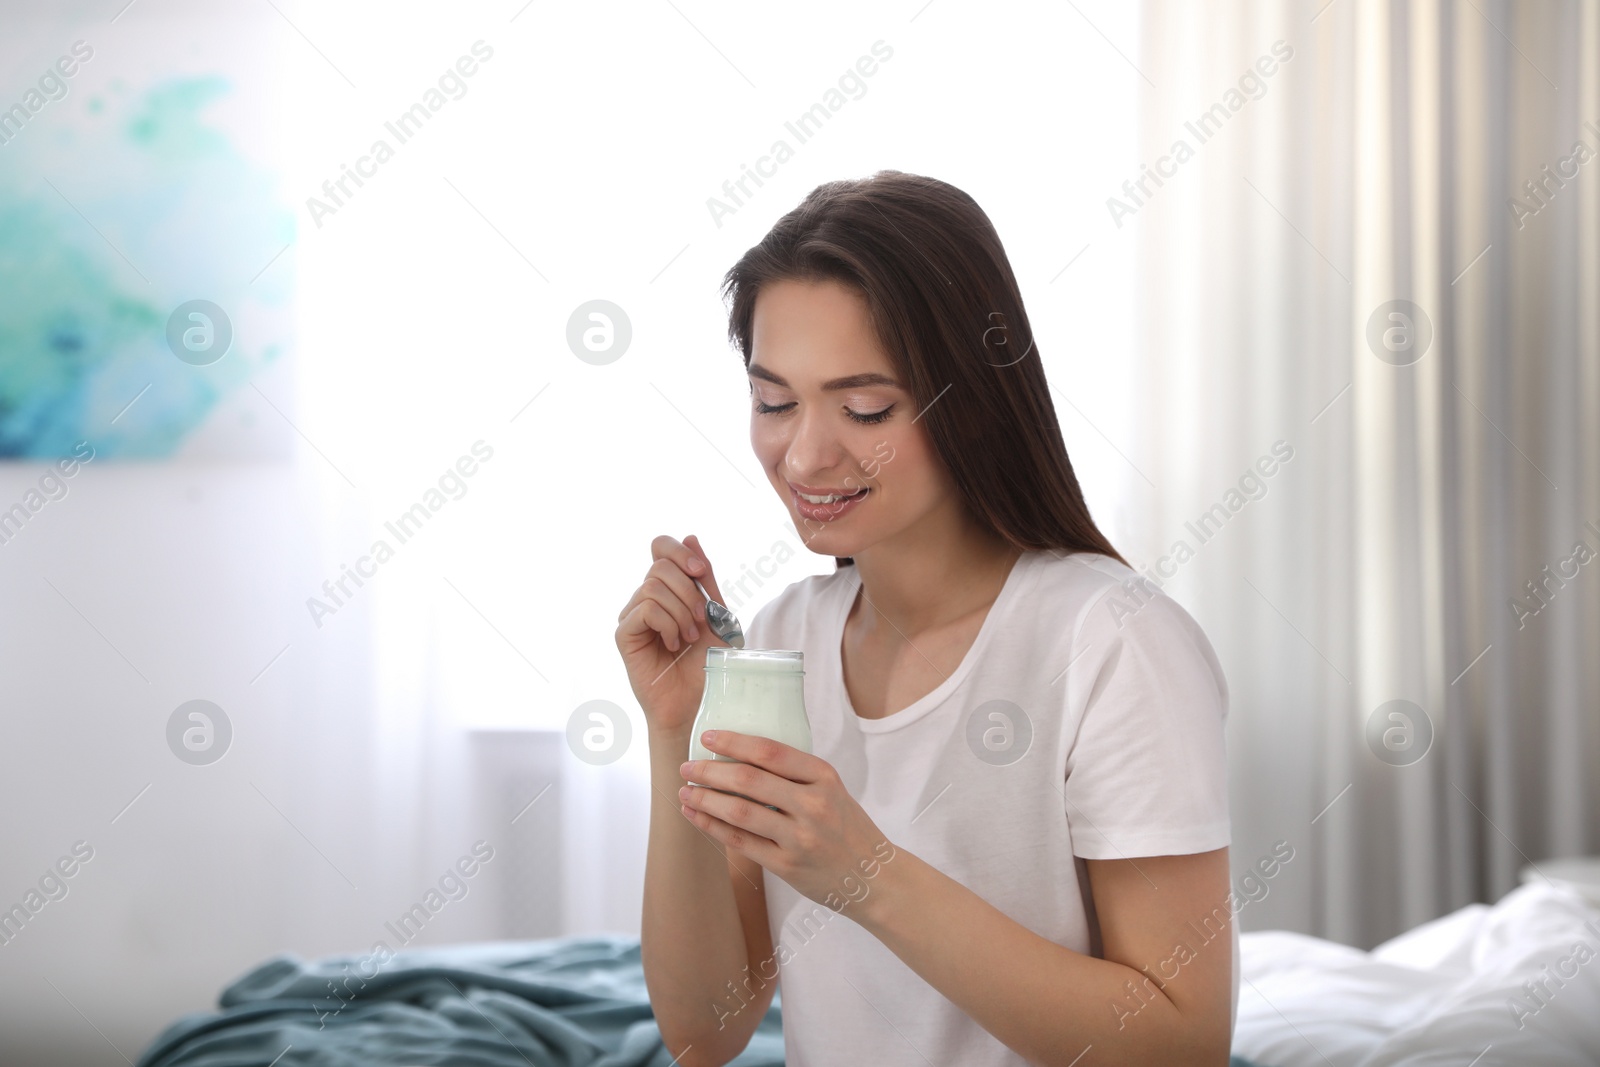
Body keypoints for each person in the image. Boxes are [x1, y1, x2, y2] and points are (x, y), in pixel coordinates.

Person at [616, 170, 1235, 1066]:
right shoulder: (784, 636)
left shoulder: (1113, 640)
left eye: (865, 407)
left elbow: (1185, 1044)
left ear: (972, 401)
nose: (806, 453)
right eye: (774, 401)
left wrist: (868, 877)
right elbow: (705, 1030)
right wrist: (673, 728)